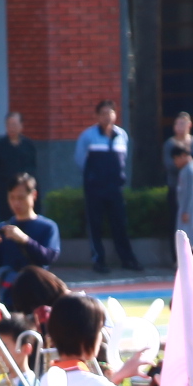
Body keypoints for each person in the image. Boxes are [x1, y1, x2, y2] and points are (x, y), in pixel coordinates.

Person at [76, 101, 136, 272]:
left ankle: (127, 259)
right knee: (95, 225)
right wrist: (94, 177)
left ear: (115, 115)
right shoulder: (88, 136)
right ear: (97, 116)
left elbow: (123, 160)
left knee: (120, 223)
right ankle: (99, 260)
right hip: (95, 188)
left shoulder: (122, 135)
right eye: (103, 113)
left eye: (110, 113)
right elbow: (80, 160)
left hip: (115, 188)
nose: (106, 117)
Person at [0, 175, 60, 289]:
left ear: (33, 195)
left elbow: (48, 257)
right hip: (7, 288)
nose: (16, 203)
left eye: (21, 198)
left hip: (36, 288)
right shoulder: (2, 229)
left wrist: (25, 240)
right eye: (12, 198)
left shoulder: (48, 227)